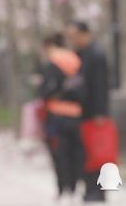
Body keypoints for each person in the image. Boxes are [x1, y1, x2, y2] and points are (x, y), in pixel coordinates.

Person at [65, 20, 110, 202]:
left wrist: (100, 112)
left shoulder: (96, 54)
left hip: (95, 113)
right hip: (83, 112)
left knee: (97, 152)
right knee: (87, 153)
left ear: (84, 33)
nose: (73, 40)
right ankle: (90, 188)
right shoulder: (82, 53)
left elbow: (100, 85)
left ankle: (97, 190)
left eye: (75, 36)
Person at [39, 33, 85, 205]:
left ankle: (62, 188)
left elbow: (46, 91)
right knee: (74, 152)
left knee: (59, 153)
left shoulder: (53, 64)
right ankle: (73, 187)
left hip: (57, 114)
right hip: (75, 114)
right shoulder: (76, 60)